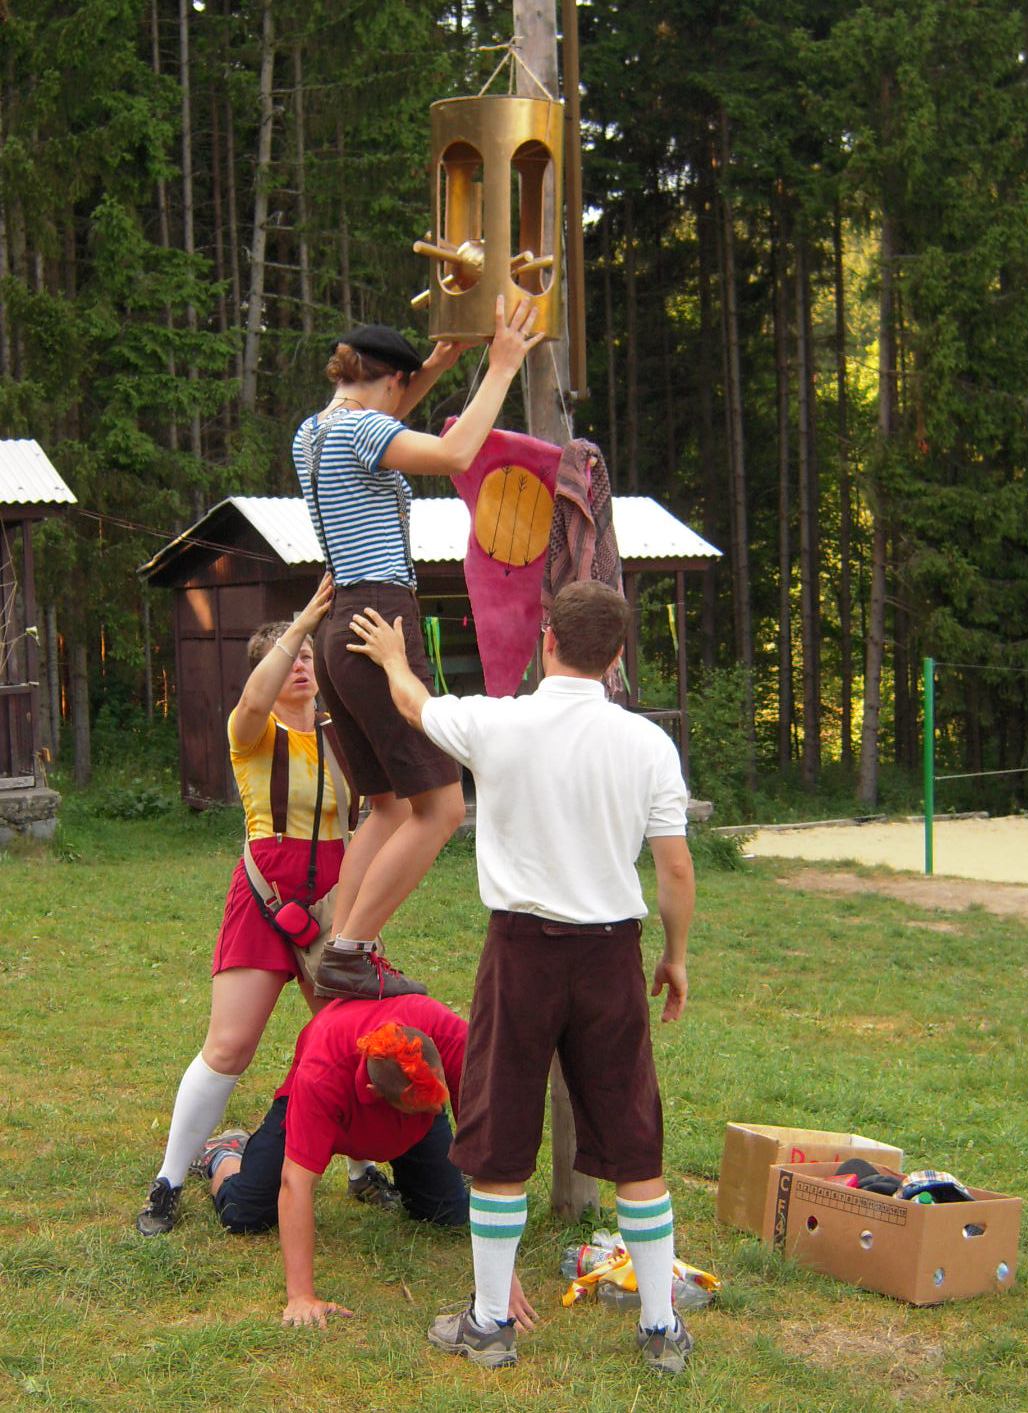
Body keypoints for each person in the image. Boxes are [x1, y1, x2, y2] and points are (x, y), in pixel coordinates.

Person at [349, 580, 697, 1375]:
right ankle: (657, 1329)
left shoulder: (496, 721)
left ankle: (489, 1323)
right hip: (611, 957)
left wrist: (396, 658)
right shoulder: (647, 744)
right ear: (616, 657)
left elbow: (412, 705)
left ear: (548, 641)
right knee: (635, 1141)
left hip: (520, 956)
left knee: (499, 1139)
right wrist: (673, 956)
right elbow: (674, 868)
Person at [291, 296, 543, 1000]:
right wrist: (500, 366)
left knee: (389, 805)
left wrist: (434, 365)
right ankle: (350, 950)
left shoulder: (314, 432)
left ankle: (334, 940)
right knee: (441, 806)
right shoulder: (365, 429)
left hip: (339, 623)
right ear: (392, 381)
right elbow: (455, 452)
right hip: (381, 618)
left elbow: (387, 417)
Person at [136, 577, 396, 1237]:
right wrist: (303, 620)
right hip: (267, 894)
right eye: (290, 656)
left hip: (337, 898)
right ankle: (168, 1181)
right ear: (268, 670)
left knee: (350, 1038)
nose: (302, 663)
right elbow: (253, 699)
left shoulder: (344, 736)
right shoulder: (251, 732)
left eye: (309, 655)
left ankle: (362, 1168)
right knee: (228, 1046)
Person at [190, 995, 535, 1333]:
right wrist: (301, 1297)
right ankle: (223, 1153)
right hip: (330, 1105)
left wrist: (500, 1282)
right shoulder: (321, 1074)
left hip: (408, 1121)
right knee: (244, 1213)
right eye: (425, 1104)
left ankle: (399, 1149)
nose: (437, 1108)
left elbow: (486, 1148)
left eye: (439, 1097)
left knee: (447, 1212)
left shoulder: (450, 1036)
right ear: (374, 1092)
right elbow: (297, 1182)